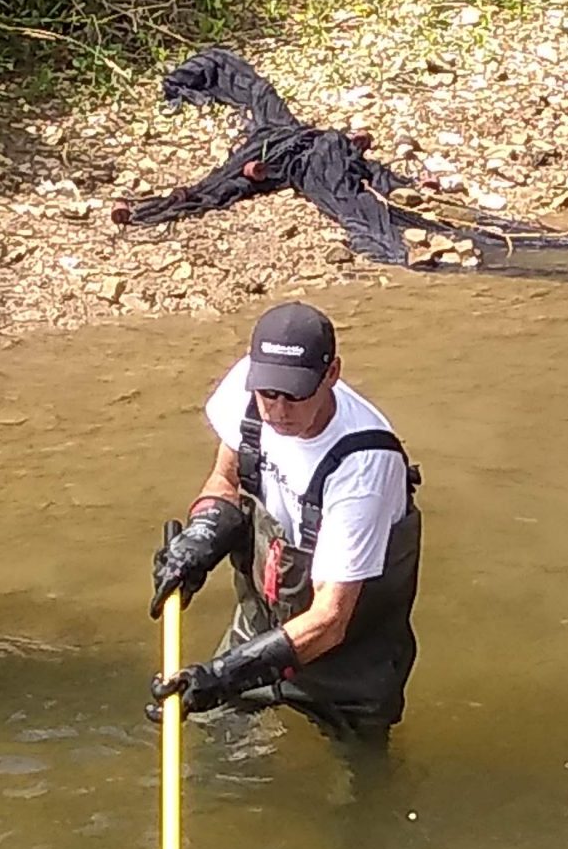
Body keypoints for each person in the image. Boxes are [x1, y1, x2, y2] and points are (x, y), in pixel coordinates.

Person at [148, 303, 420, 742]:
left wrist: (222, 676)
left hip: (349, 656)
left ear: (332, 373)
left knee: (362, 782)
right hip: (263, 615)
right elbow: (225, 479)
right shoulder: (249, 389)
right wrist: (201, 539)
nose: (277, 410)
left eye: (294, 394)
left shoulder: (365, 465)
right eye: (268, 393)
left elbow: (331, 619)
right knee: (211, 739)